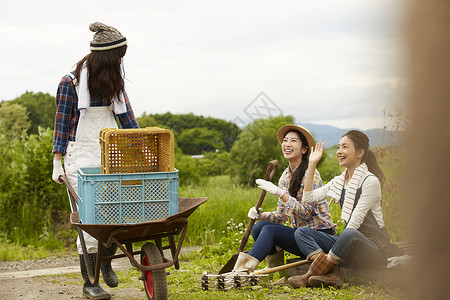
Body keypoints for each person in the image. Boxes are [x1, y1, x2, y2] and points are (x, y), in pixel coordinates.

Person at [51, 22, 139, 300]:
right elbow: (62, 124)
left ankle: (106, 261)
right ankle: (90, 281)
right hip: (81, 157)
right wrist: (57, 161)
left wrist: (143, 148)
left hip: (110, 154)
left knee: (118, 212)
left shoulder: (114, 84)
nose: (121, 62)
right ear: (106, 58)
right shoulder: (71, 83)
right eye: (118, 57)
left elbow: (128, 121)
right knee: (89, 221)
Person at [288, 130, 401, 288]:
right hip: (348, 245)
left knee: (349, 233)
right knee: (301, 232)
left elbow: (355, 222)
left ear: (360, 152)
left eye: (345, 147)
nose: (339, 152)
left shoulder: (370, 181)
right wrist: (312, 164)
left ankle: (309, 276)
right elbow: (308, 198)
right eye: (339, 147)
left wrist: (335, 247)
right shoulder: (340, 181)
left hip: (373, 249)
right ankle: (333, 273)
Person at [232, 125, 337, 274]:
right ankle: (273, 269)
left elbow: (305, 213)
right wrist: (261, 215)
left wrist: (281, 194)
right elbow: (282, 215)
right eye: (285, 140)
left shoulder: (311, 174)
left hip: (317, 238)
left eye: (293, 141)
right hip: (300, 234)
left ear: (304, 149)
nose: (287, 144)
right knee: (259, 226)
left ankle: (242, 271)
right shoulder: (285, 176)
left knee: (269, 230)